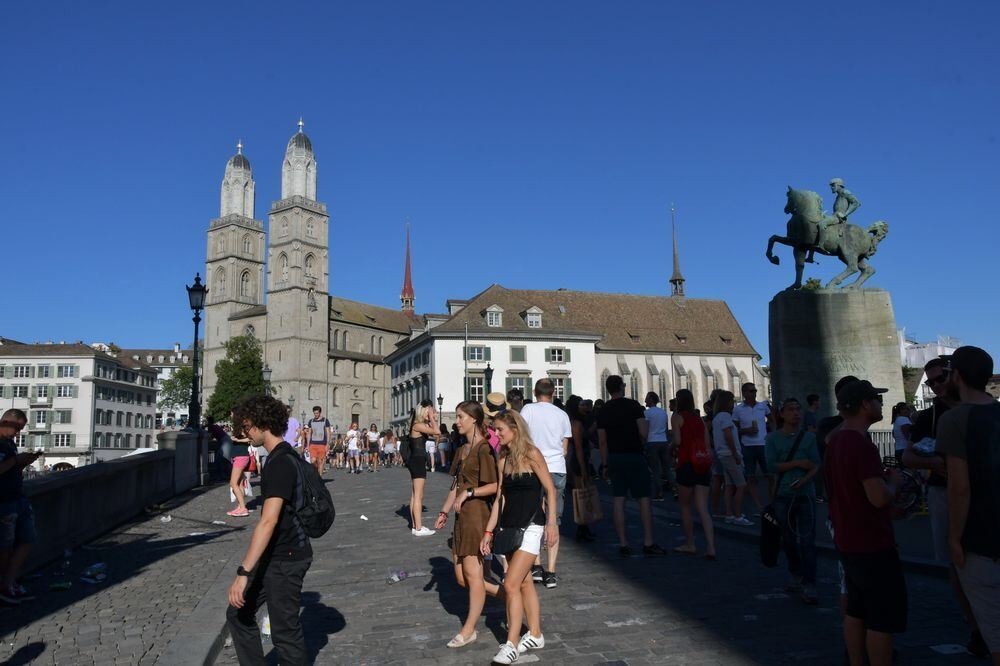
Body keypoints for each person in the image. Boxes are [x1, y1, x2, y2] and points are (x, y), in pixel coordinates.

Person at [901, 358, 985, 656]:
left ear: (954, 375)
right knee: (956, 562)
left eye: (940, 379)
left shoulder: (980, 408)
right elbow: (908, 458)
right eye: (931, 382)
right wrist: (936, 462)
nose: (936, 386)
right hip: (943, 492)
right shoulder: (930, 416)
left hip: (984, 493)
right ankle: (975, 625)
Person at [824, 380, 906, 666]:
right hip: (871, 542)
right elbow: (878, 497)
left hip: (847, 539)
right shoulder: (860, 444)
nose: (881, 404)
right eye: (876, 399)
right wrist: (893, 484)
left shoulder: (835, 441)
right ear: (864, 405)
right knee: (881, 618)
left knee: (856, 609)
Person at [226, 394, 312, 665]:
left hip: (287, 557)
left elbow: (268, 521)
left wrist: (244, 572)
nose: (244, 433)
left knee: (285, 634)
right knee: (237, 613)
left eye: (248, 426)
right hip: (277, 554)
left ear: (263, 424)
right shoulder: (282, 458)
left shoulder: (280, 463)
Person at [935, 346, 1000, 663]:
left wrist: (954, 539)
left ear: (956, 375)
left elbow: (960, 487)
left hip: (981, 539)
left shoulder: (955, 420)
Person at [481, 410, 559, 664]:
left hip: (532, 526)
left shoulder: (532, 454)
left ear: (515, 429)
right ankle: (535, 634)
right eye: (495, 430)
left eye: (500, 430)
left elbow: (550, 490)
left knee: (511, 584)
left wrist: (551, 524)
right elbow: (500, 499)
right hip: (510, 527)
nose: (496, 434)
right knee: (523, 583)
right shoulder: (502, 458)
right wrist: (489, 531)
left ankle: (511, 643)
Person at [433, 400, 500, 648]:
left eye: (461, 417)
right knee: (462, 578)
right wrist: (444, 510)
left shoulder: (484, 449)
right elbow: (455, 485)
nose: (457, 421)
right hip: (461, 518)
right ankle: (509, 595)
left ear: (474, 419)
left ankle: (468, 629)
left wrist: (470, 493)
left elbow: (494, 486)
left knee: (473, 575)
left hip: (476, 515)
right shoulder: (461, 450)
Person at [598, 374, 666, 557]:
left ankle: (623, 543)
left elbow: (602, 441)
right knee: (644, 499)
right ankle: (648, 542)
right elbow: (644, 431)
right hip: (634, 455)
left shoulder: (603, 410)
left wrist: (604, 465)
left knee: (619, 500)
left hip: (614, 457)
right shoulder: (633, 405)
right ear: (621, 387)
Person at [765, 398, 820, 604]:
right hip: (783, 495)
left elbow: (815, 465)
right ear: (782, 414)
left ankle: (810, 583)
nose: (796, 413)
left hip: (806, 495)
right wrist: (797, 463)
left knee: (808, 542)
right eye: (791, 410)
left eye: (798, 410)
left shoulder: (809, 438)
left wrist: (804, 479)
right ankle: (796, 573)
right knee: (788, 540)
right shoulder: (772, 439)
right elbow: (771, 466)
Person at [519, 381, 572, 587]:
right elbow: (565, 448)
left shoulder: (528, 409)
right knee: (554, 519)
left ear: (534, 392)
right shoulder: (562, 414)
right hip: (557, 468)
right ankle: (551, 571)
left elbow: (521, 437)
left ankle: (537, 566)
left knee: (535, 517)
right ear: (553, 393)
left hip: (534, 468)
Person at [671, 389, 716, 559]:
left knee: (685, 507)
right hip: (702, 464)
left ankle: (690, 544)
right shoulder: (699, 419)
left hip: (686, 464)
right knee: (703, 508)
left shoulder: (677, 417)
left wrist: (671, 447)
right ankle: (711, 547)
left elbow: (678, 441)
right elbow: (707, 443)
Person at [0, 409, 39, 604]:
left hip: (18, 498)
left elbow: (9, 469)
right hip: (4, 502)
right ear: (6, 421)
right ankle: (6, 585)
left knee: (28, 539)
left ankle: (9, 582)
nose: (18, 433)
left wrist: (23, 463)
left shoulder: (9, 443)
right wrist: (16, 460)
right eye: (17, 428)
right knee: (5, 547)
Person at [732, 383, 774, 514]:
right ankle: (758, 505)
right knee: (751, 477)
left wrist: (773, 434)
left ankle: (773, 504)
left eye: (755, 390)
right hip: (748, 446)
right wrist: (746, 430)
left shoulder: (763, 406)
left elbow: (772, 419)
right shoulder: (738, 409)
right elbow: (735, 430)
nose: (754, 393)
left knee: (770, 475)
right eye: (751, 391)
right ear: (744, 393)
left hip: (763, 444)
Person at [711, 391, 751, 526]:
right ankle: (738, 515)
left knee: (729, 485)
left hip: (723, 454)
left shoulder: (717, 417)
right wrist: (735, 453)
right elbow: (728, 436)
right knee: (741, 485)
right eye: (732, 401)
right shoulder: (726, 416)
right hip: (729, 454)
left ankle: (729, 513)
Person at [565, 395, 596, 543]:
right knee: (581, 496)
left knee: (582, 495)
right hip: (578, 461)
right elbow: (578, 447)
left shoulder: (575, 422)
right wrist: (584, 468)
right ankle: (582, 528)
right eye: (581, 405)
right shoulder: (576, 423)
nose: (584, 407)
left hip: (579, 460)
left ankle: (584, 527)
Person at [408, 400, 438, 536]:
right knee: (419, 496)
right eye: (429, 411)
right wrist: (432, 418)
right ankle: (419, 528)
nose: (431, 414)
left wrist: (431, 419)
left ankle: (415, 526)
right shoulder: (418, 425)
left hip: (416, 459)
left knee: (415, 495)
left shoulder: (418, 425)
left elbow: (437, 435)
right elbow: (437, 431)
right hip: (418, 460)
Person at [644, 392, 671, 501]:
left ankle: (659, 494)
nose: (645, 400)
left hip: (652, 441)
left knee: (655, 469)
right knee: (667, 468)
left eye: (646, 398)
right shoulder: (663, 412)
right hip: (663, 441)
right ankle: (675, 489)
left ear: (651, 399)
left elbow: (646, 429)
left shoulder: (647, 413)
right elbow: (665, 428)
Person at [227, 417, 254, 518]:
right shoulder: (239, 427)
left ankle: (243, 508)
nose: (231, 415)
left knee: (233, 483)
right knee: (239, 483)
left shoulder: (245, 426)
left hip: (241, 456)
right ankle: (240, 506)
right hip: (238, 456)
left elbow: (250, 439)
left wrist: (238, 439)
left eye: (232, 413)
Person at [305, 407, 332, 477]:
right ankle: (316, 470)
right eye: (314, 413)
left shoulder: (325, 420)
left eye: (317, 413)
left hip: (322, 444)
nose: (316, 415)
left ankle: (319, 477)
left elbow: (328, 432)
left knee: (321, 461)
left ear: (320, 412)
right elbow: (309, 433)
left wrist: (327, 444)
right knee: (312, 461)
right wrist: (307, 445)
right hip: (313, 444)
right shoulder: (311, 421)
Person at [890, 403, 911, 467]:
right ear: (901, 410)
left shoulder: (896, 420)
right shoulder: (904, 419)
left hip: (898, 450)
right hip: (905, 450)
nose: (908, 411)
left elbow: (893, 434)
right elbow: (908, 436)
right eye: (907, 409)